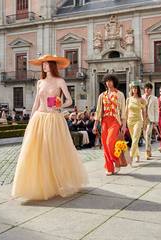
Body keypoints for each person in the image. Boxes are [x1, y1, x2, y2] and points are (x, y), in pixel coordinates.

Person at [12, 54, 87, 200]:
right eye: (43, 64)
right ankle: (38, 185)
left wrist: (60, 105)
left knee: (54, 151)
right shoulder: (40, 82)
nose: (43, 66)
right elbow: (36, 103)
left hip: (54, 119)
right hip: (39, 117)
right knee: (36, 152)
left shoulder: (60, 81)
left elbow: (69, 100)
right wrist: (31, 119)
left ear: (52, 66)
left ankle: (58, 183)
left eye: (46, 64)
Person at [93, 74, 126, 175]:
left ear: (114, 82)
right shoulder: (102, 95)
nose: (108, 83)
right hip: (104, 122)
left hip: (115, 121)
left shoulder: (120, 94)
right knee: (105, 146)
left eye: (110, 81)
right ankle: (110, 168)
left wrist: (124, 125)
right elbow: (98, 111)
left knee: (109, 142)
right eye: (107, 81)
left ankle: (117, 161)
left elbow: (123, 111)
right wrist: (95, 125)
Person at [126, 81, 146, 163]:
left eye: (136, 88)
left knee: (135, 138)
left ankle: (131, 156)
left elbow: (144, 112)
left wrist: (144, 122)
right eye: (133, 88)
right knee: (134, 138)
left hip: (138, 120)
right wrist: (124, 122)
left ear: (138, 89)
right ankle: (137, 155)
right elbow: (126, 111)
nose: (134, 89)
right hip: (130, 121)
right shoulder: (128, 99)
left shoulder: (142, 100)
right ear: (131, 89)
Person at [142, 83, 158, 159]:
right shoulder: (141, 98)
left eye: (149, 89)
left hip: (151, 119)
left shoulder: (154, 98)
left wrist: (156, 120)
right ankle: (149, 148)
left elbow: (156, 110)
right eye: (146, 88)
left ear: (151, 90)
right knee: (145, 136)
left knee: (148, 134)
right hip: (143, 119)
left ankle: (147, 152)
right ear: (144, 89)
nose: (148, 90)